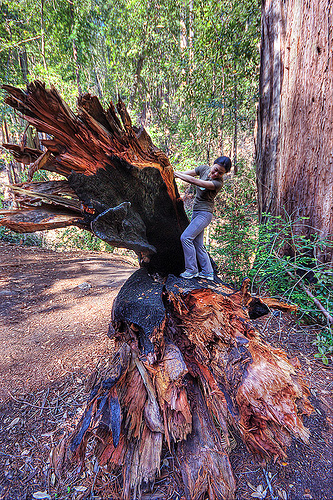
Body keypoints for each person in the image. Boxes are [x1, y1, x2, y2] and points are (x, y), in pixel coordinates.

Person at [174, 156, 231, 280]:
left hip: (205, 214)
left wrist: (175, 174)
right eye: (215, 169)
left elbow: (196, 182)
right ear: (213, 163)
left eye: (220, 173)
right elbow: (185, 174)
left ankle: (191, 270)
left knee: (186, 237)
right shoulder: (204, 169)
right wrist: (173, 174)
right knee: (198, 244)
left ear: (224, 174)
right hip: (196, 212)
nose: (216, 174)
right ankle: (207, 272)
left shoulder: (217, 183)